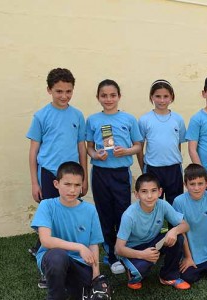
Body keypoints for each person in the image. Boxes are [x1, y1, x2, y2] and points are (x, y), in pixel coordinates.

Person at [26, 68, 88, 286]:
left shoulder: (78, 115)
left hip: (71, 177)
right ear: (49, 90)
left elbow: (81, 147)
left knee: (71, 219)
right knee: (50, 220)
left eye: (68, 91)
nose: (64, 96)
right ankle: (47, 267)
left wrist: (84, 176)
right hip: (49, 174)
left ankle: (75, 261)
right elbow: (33, 151)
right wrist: (35, 182)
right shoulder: (41, 116)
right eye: (59, 91)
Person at [86, 79, 142, 275]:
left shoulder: (128, 119)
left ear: (119, 96)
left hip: (121, 174)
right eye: (104, 95)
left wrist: (126, 151)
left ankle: (125, 253)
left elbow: (138, 146)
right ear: (98, 98)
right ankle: (110, 256)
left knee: (123, 214)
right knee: (105, 215)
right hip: (100, 174)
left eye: (112, 95)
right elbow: (89, 148)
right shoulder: (92, 120)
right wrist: (96, 155)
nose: (108, 99)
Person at [30, 161, 103, 300]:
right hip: (53, 258)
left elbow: (94, 244)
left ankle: (70, 285)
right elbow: (45, 240)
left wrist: (96, 275)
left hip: (79, 263)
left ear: (82, 186)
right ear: (56, 184)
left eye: (77, 185)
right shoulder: (47, 205)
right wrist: (79, 247)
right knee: (58, 257)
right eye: (67, 184)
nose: (72, 190)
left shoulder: (90, 210)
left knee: (88, 295)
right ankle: (56, 296)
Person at [115, 173, 191, 290]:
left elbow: (185, 225)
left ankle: (168, 276)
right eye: (144, 191)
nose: (149, 196)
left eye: (153, 191)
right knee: (139, 273)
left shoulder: (163, 205)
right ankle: (132, 271)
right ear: (137, 194)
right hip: (133, 249)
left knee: (178, 237)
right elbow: (118, 249)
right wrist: (142, 254)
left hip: (153, 243)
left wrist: (174, 230)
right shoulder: (129, 215)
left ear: (160, 192)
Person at [173, 164, 207, 283]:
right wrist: (188, 257)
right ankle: (187, 260)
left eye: (200, 183)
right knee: (188, 277)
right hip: (191, 253)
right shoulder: (178, 201)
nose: (196, 188)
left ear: (206, 183)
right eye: (192, 184)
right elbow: (181, 232)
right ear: (185, 185)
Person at [137, 79, 187, 205]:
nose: (162, 100)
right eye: (158, 96)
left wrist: (176, 160)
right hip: (152, 169)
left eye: (166, 96)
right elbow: (139, 147)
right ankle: (155, 225)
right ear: (151, 97)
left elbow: (178, 144)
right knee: (153, 204)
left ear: (171, 97)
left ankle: (174, 226)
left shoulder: (178, 119)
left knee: (175, 204)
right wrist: (144, 167)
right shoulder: (145, 120)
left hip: (174, 169)